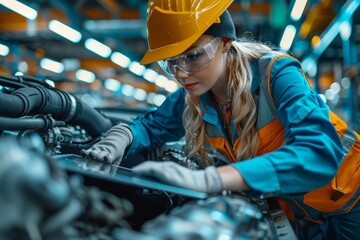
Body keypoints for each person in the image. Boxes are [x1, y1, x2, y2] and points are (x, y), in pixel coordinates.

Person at [81, 0, 360, 239]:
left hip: (352, 204)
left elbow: (319, 152)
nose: (180, 73)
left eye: (192, 56)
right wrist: (120, 137)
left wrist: (211, 179)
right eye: (171, 61)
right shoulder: (194, 95)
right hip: (302, 216)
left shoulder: (277, 74)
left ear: (226, 42)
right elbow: (152, 125)